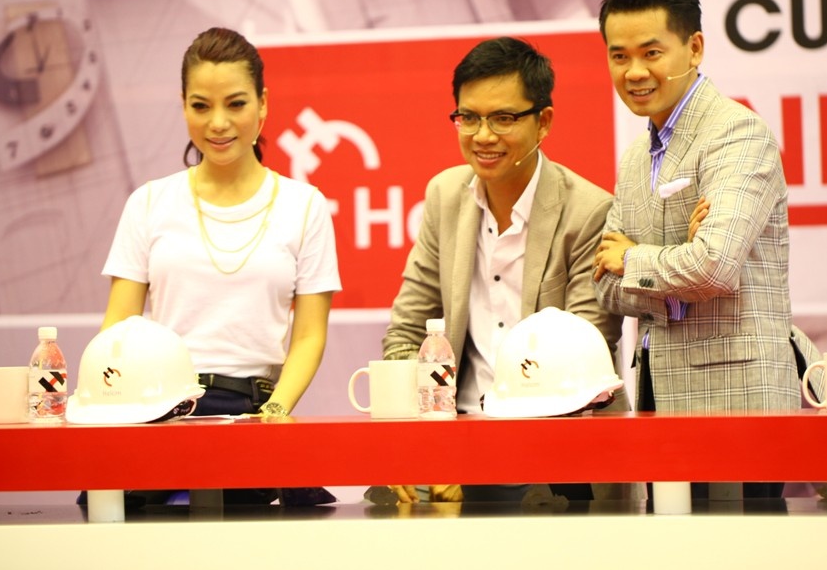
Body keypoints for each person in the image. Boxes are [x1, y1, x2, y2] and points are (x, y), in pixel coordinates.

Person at [98, 26, 341, 506]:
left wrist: (275, 411)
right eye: (201, 106)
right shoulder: (149, 202)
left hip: (254, 408)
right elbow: (118, 330)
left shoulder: (304, 205)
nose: (218, 123)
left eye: (235, 104)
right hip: (157, 406)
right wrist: (112, 406)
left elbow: (309, 335)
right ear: (183, 106)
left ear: (263, 104)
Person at [381, 36, 626, 504]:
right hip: (457, 445)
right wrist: (425, 439)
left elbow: (585, 356)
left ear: (543, 122)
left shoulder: (588, 211)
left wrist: (498, 452)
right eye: (469, 117)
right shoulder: (444, 196)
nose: (483, 135)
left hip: (562, 453)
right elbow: (406, 334)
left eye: (504, 118)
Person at [591, 0, 800, 501]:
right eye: (619, 56)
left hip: (737, 403)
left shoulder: (737, 133)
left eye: (651, 53)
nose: (634, 72)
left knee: (744, 545)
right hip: (659, 402)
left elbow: (713, 267)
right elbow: (604, 285)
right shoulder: (635, 158)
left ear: (695, 47)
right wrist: (673, 265)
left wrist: (637, 258)